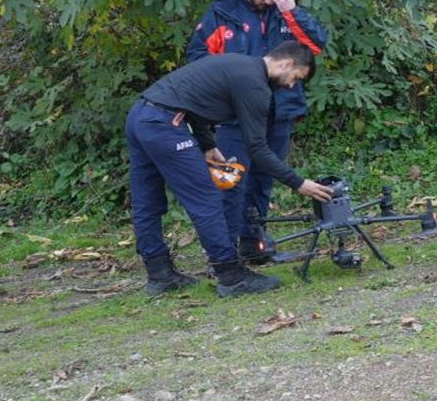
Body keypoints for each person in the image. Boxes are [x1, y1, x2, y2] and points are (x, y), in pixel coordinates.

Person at [125, 41, 333, 298]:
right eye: (296, 78)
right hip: (164, 125)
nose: (292, 85)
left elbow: (193, 99)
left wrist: (207, 144)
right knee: (206, 199)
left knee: (147, 201)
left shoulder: (237, 64)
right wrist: (298, 183)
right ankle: (231, 276)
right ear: (287, 63)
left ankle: (159, 274)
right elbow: (257, 149)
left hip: (140, 116)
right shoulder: (255, 85)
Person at [185, 0, 329, 263]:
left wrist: (291, 10)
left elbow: (316, 45)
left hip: (280, 110)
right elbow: (197, 60)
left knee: (264, 180)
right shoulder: (222, 13)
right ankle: (223, 257)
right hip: (235, 114)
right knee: (231, 181)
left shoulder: (286, 11)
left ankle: (253, 245)